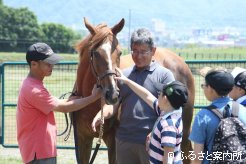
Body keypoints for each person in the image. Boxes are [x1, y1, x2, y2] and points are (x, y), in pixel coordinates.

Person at [92, 28, 175, 164]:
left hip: (152, 142)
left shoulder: (165, 75)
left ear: (153, 51)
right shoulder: (123, 75)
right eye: (134, 51)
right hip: (124, 140)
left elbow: (171, 111)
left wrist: (155, 131)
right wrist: (102, 114)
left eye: (143, 51)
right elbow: (114, 105)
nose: (138, 56)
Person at [16, 42, 102, 164]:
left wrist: (72, 99)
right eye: (47, 63)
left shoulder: (31, 84)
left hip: (38, 149)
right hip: (39, 151)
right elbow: (63, 108)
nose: (52, 65)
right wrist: (93, 97)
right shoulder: (34, 90)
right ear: (34, 64)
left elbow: (54, 102)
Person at [113, 67, 188, 164]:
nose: (158, 96)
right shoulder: (169, 111)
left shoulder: (168, 126)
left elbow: (169, 155)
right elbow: (146, 95)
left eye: (160, 93)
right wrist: (127, 81)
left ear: (165, 98)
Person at [189, 69, 246, 164]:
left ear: (211, 89)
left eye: (204, 85)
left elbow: (197, 157)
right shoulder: (243, 110)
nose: (203, 88)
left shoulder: (203, 116)